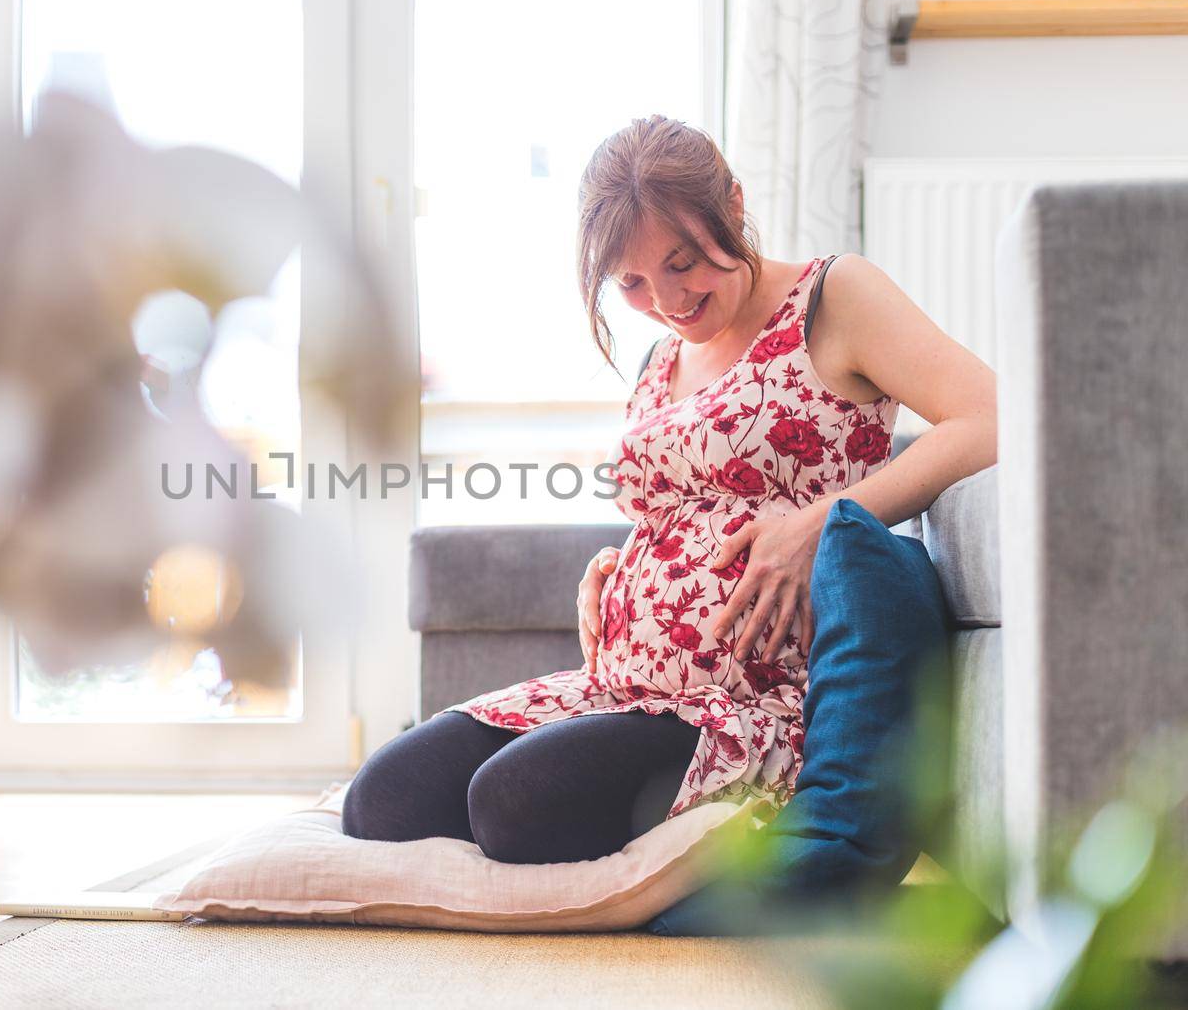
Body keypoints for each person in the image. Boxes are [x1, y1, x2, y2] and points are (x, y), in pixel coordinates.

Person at [341, 115, 997, 865]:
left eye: (684, 262)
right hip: (619, 686)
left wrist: (819, 523)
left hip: (747, 706)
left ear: (736, 207)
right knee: (381, 799)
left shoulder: (831, 299)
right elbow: (677, 505)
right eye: (633, 283)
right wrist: (619, 573)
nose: (669, 300)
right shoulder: (660, 355)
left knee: (511, 803)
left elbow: (991, 414)